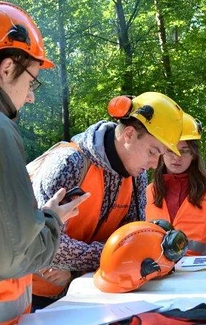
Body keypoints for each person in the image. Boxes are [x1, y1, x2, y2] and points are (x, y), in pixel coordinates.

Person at [0, 1, 90, 325]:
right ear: (7, 67)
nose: (30, 98)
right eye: (33, 82)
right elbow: (10, 256)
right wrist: (52, 220)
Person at [30, 91, 184, 309]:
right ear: (129, 134)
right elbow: (43, 243)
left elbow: (133, 237)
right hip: (34, 296)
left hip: (91, 290)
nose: (154, 164)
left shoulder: (136, 176)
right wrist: (115, 253)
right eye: (153, 151)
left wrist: (74, 269)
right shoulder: (68, 163)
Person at [146, 112, 206, 255]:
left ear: (194, 154)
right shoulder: (149, 192)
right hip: (158, 274)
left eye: (184, 151)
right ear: (161, 151)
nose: (177, 157)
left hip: (203, 275)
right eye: (171, 150)